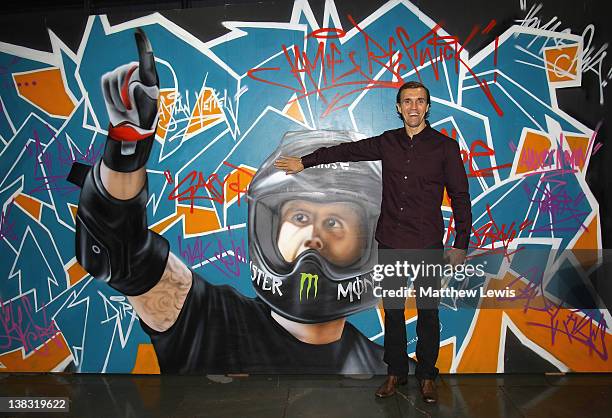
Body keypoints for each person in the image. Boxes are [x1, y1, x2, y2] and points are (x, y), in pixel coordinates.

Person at [67, 29, 411, 375]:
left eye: (335, 222)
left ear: (368, 242)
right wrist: (127, 149)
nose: (313, 237)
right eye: (300, 217)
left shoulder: (385, 369)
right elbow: (119, 252)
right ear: (271, 229)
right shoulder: (212, 321)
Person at [274, 80, 472, 401]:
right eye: (407, 101)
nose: (413, 107)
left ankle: (426, 376)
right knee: (393, 311)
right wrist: (305, 161)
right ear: (398, 107)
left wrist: (461, 242)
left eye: (419, 101)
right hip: (391, 241)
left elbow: (460, 196)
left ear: (427, 107)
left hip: (427, 244)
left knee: (428, 313)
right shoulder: (387, 143)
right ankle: (395, 373)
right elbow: (347, 151)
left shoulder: (444, 147)